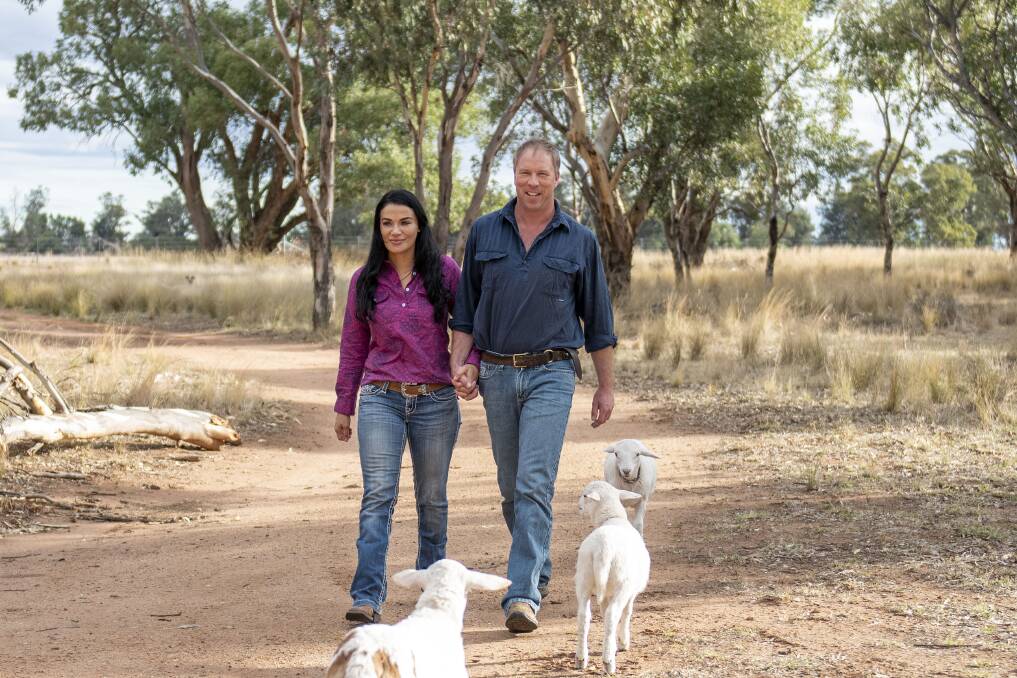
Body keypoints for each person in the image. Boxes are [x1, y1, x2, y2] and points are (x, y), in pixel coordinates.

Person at [449, 138, 617, 633]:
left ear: (557, 178)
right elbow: (465, 310)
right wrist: (461, 363)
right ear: (514, 175)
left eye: (542, 174)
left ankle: (521, 595)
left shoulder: (579, 239)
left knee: (532, 483)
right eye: (525, 173)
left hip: (553, 371)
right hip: (497, 372)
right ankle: (538, 567)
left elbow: (599, 320)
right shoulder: (484, 232)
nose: (533, 182)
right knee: (509, 486)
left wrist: (605, 387)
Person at [334, 189, 479, 624]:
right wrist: (345, 402)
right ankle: (366, 597)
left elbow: (470, 327)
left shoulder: (446, 272)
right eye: (387, 223)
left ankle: (432, 595)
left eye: (404, 222)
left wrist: (469, 365)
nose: (395, 231)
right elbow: (353, 344)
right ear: (378, 229)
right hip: (381, 398)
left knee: (432, 499)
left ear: (419, 226)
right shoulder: (365, 280)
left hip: (435, 400)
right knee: (378, 495)